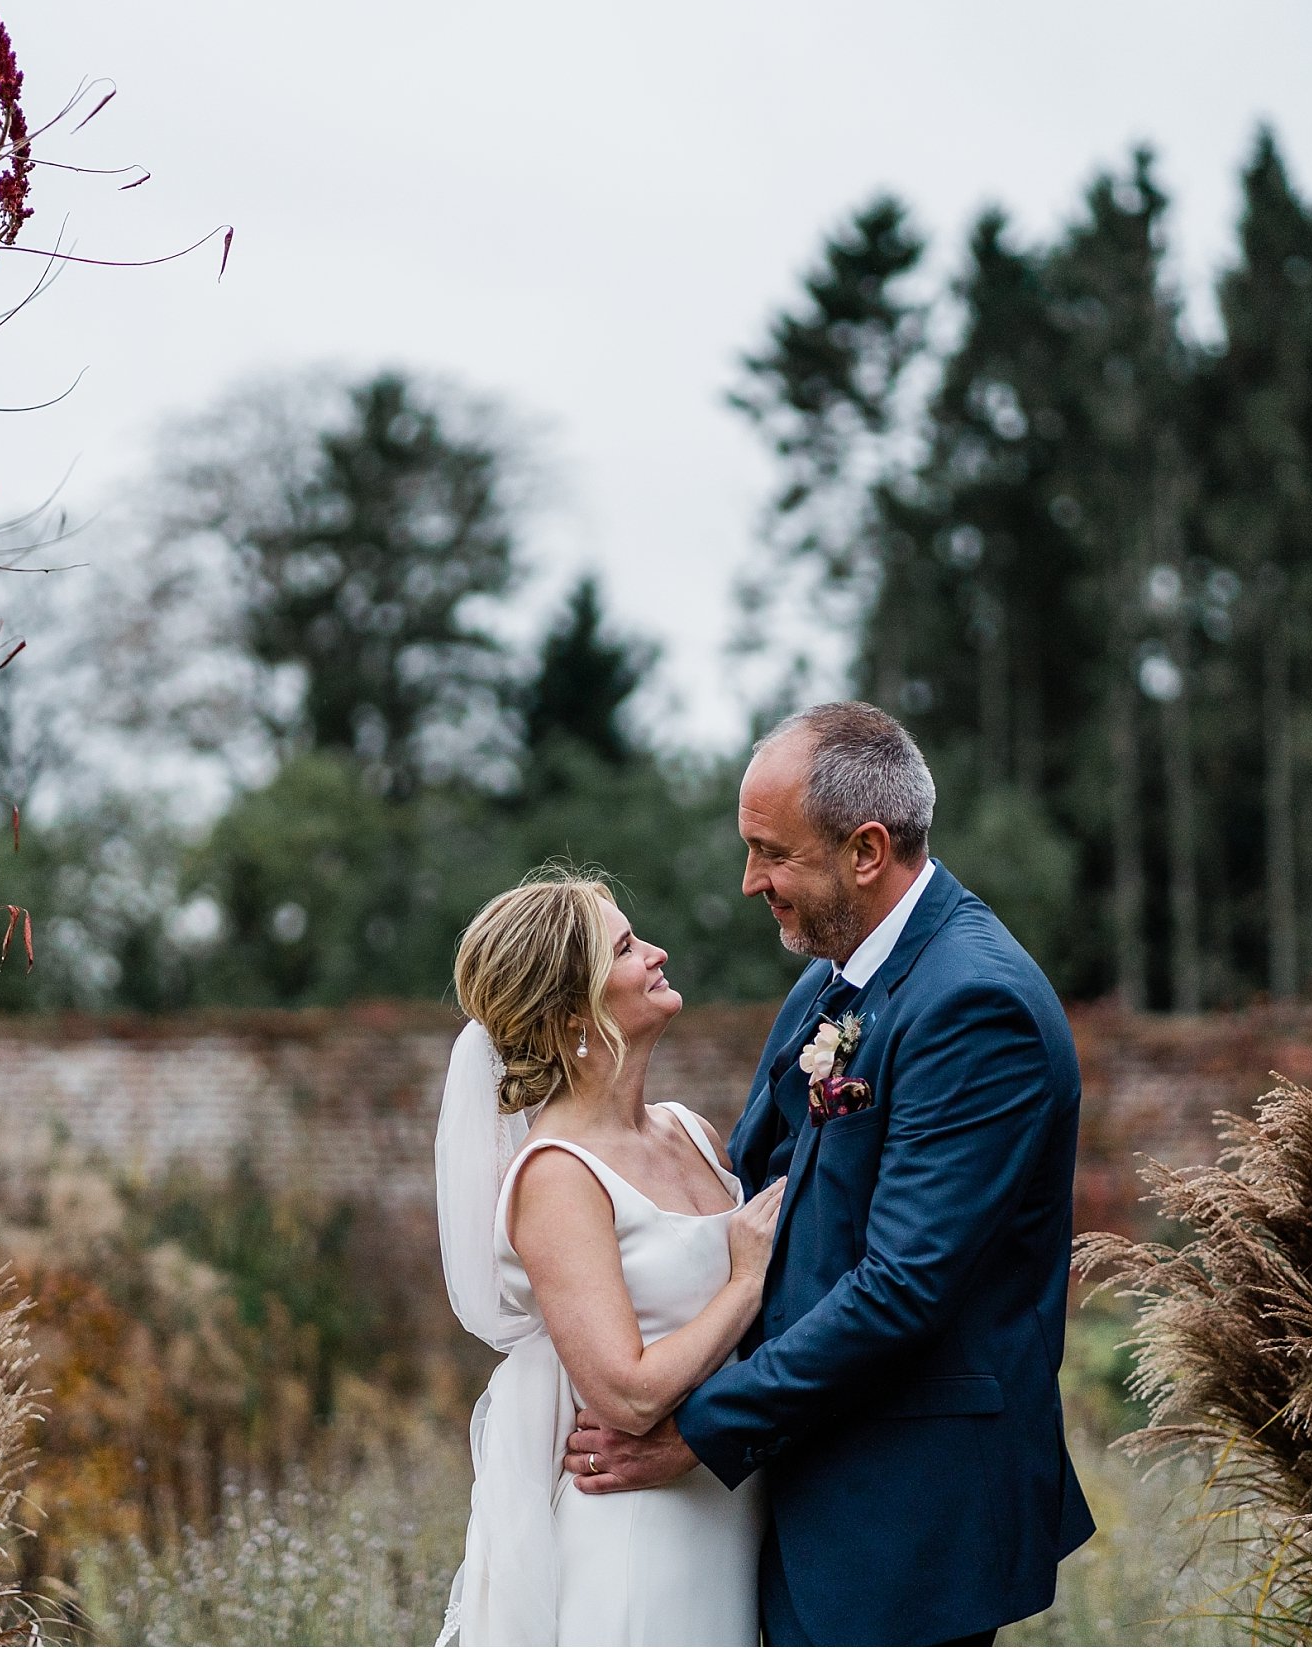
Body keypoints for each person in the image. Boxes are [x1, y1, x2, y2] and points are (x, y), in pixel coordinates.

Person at [562, 700, 1097, 1645]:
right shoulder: (831, 980)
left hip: (903, 1512)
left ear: (866, 848)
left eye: (773, 852)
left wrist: (695, 1430)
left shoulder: (977, 1004)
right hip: (804, 1483)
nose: (748, 880)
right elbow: (747, 1187)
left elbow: (903, 1287)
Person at [435, 868, 784, 1645]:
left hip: (732, 1511)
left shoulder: (691, 1131)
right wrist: (749, 1279)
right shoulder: (557, 1174)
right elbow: (624, 1393)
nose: (657, 953)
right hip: (640, 1535)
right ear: (570, 1016)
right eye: (626, 947)